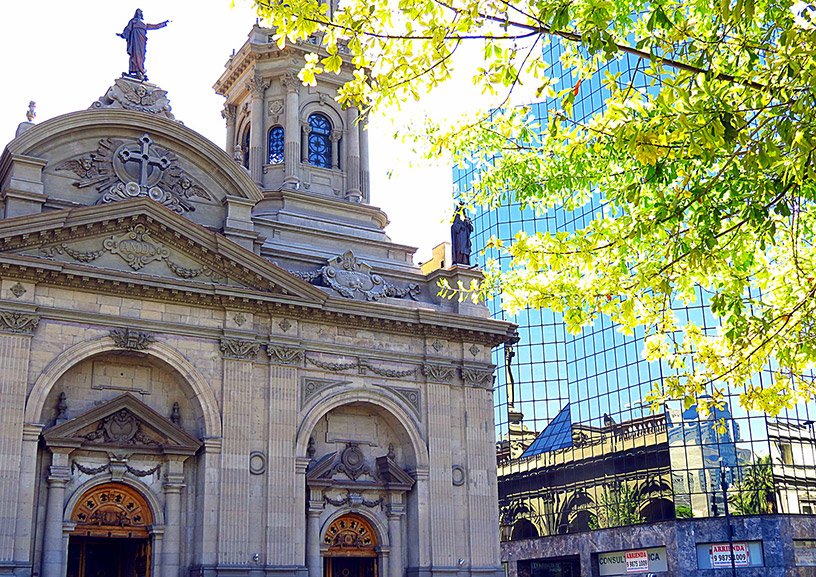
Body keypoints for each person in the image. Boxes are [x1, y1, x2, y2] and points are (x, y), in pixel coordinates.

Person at [118, 9, 168, 81]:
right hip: (135, 39)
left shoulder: (144, 24)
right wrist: (123, 35)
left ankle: (140, 70)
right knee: (135, 54)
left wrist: (164, 23)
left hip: (142, 40)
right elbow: (128, 30)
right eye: (138, 13)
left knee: (141, 55)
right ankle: (133, 70)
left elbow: (155, 26)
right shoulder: (133, 21)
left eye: (140, 13)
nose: (139, 14)